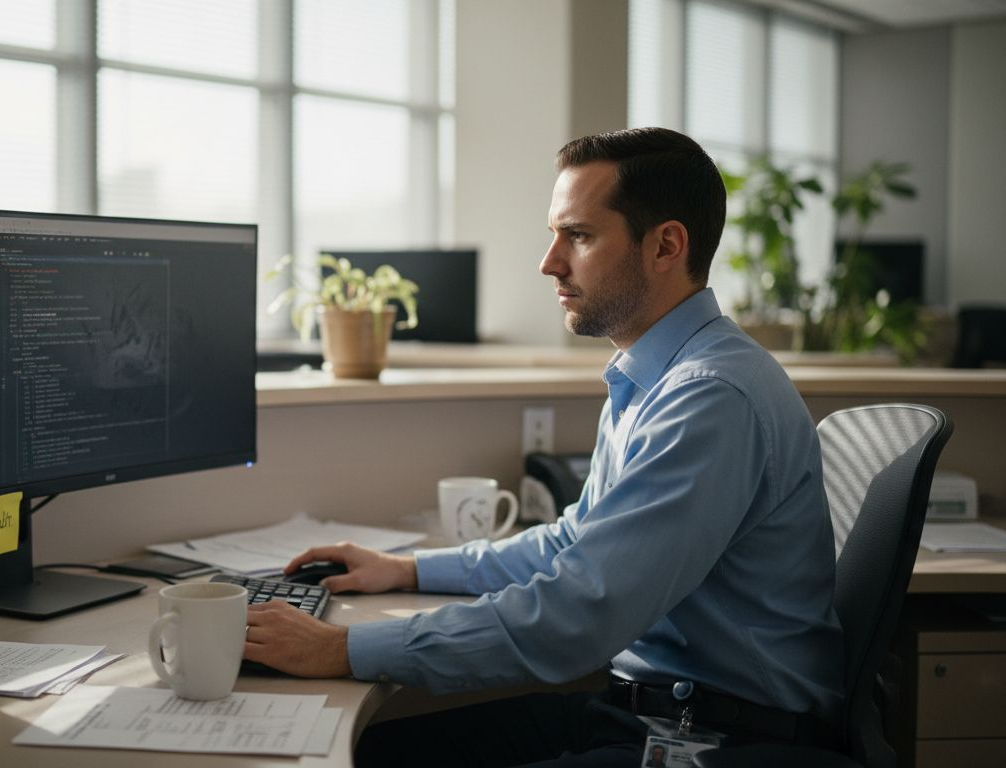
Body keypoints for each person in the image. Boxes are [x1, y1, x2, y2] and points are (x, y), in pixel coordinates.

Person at [242, 127, 845, 767]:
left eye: (578, 236)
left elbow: (579, 612)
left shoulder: (711, 398)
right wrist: (408, 570)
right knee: (380, 751)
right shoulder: (653, 377)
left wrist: (342, 650)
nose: (549, 261)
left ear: (666, 245)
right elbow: (571, 544)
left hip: (722, 740)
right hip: (645, 713)